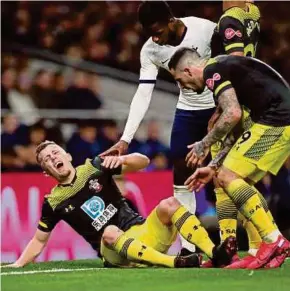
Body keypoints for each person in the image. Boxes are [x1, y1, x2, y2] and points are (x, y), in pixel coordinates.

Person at [100, 0, 217, 255]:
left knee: (229, 174)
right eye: (150, 33)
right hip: (189, 110)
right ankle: (189, 248)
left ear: (171, 21)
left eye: (159, 31)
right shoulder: (151, 50)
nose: (156, 38)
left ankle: (255, 241)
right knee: (181, 175)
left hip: (221, 106)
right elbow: (143, 94)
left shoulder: (207, 30)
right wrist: (125, 140)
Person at [4, 141, 236, 269]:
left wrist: (124, 159)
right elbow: (39, 240)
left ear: (67, 155)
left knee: (170, 204)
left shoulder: (95, 166)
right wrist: (19, 263)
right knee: (110, 231)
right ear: (46, 172)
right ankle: (176, 262)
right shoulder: (53, 202)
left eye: (55, 152)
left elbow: (143, 162)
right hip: (114, 252)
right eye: (46, 160)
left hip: (142, 234)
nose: (53, 158)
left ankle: (214, 252)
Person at [168, 48, 290, 269]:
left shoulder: (212, 71)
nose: (182, 87)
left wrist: (203, 144)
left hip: (277, 121)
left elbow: (232, 114)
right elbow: (235, 126)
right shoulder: (226, 67)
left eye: (180, 80)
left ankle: (274, 240)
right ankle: (265, 247)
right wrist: (213, 165)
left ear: (188, 70)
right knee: (234, 180)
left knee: (228, 176)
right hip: (277, 119)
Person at [205, 0, 266, 268]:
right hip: (252, 103)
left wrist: (226, 108)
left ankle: (258, 246)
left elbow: (237, 63)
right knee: (237, 179)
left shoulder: (229, 18)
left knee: (227, 177)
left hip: (236, 103)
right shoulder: (252, 12)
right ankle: (240, 245)